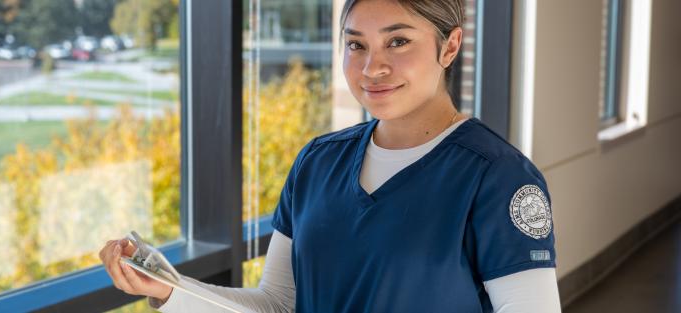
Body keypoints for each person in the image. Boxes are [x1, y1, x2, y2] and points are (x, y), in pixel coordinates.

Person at [99, 0, 562, 312]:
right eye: (356, 44)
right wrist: (170, 287)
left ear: (451, 46)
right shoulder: (317, 163)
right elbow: (279, 304)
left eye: (398, 42)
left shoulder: (498, 179)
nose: (371, 67)